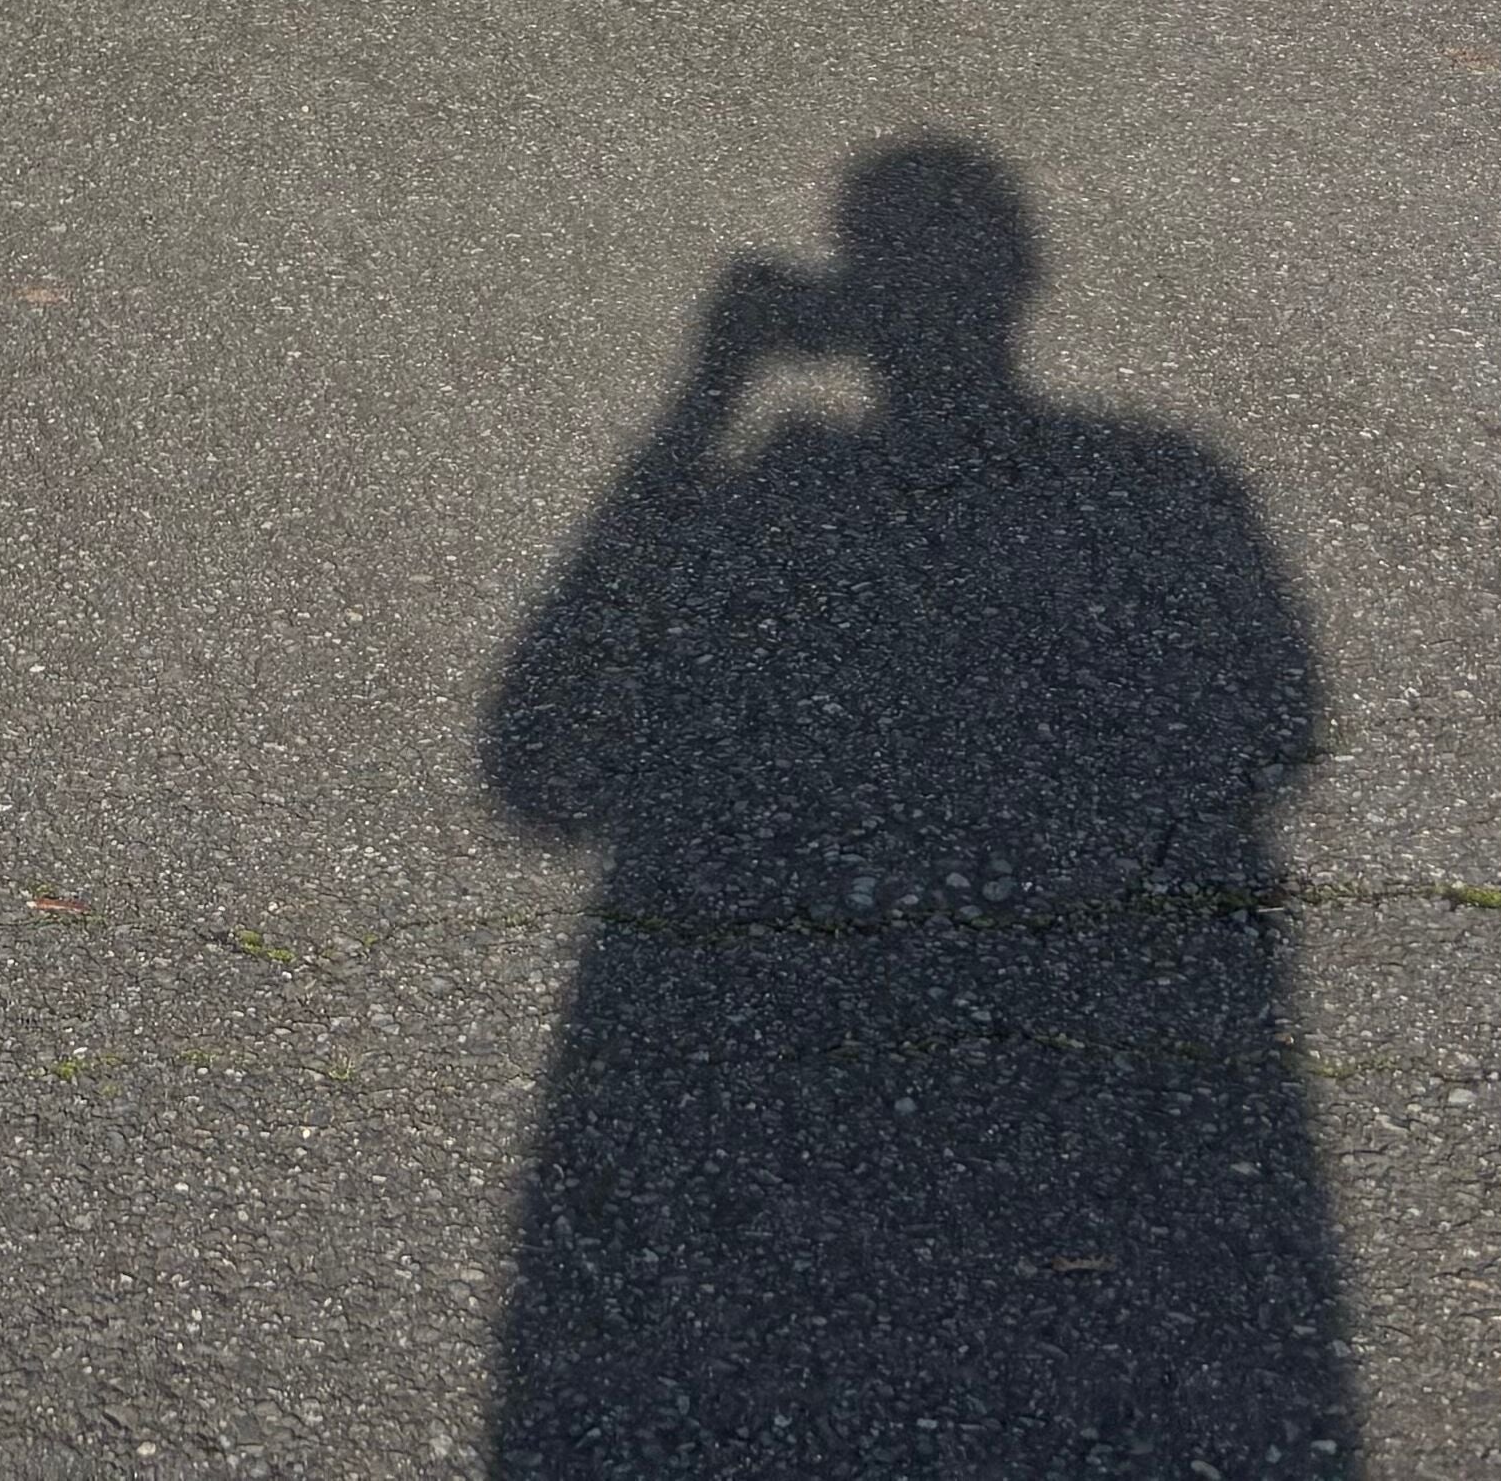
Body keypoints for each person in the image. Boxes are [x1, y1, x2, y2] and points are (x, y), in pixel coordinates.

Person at [484, 143, 1358, 1470]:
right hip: (1124, 1071)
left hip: (758, 1078)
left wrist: (707, 391)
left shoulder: (777, 490)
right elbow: (1279, 726)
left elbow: (546, 764)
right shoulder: (1164, 484)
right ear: (1024, 284)